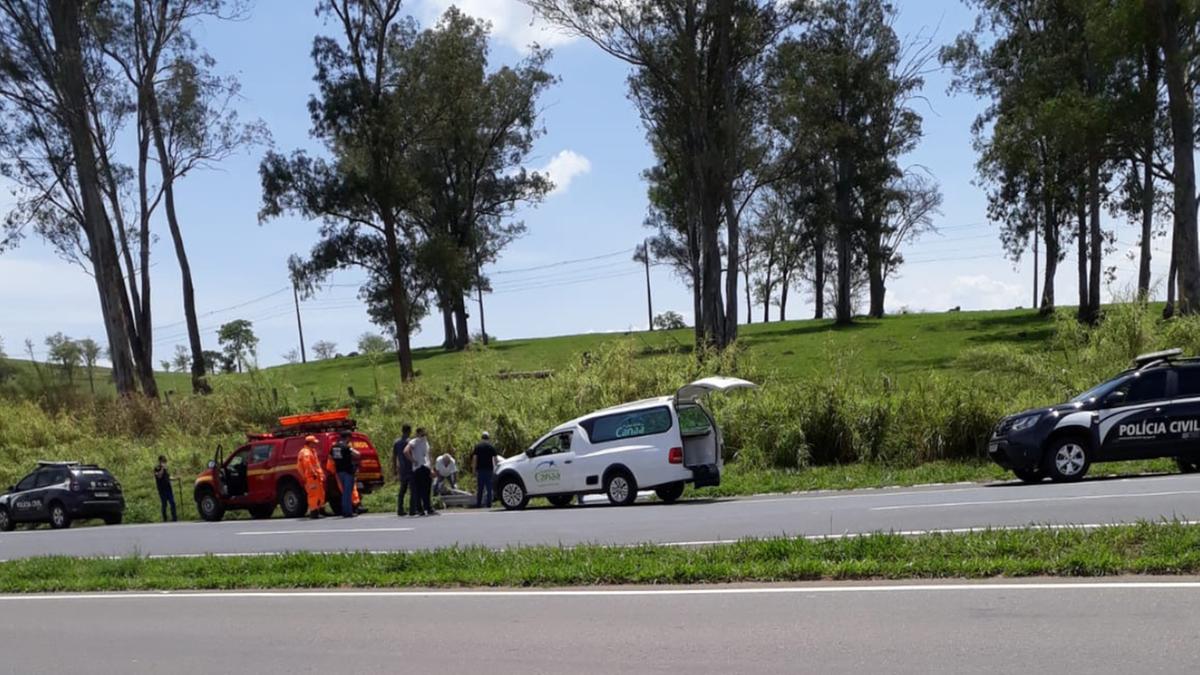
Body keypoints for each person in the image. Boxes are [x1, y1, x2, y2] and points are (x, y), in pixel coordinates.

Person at [404, 427, 435, 516]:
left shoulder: (426, 442)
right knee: (419, 490)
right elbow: (406, 451)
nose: (423, 435)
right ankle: (420, 509)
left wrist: (431, 469)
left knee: (427, 489)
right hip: (418, 468)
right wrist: (413, 460)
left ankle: (427, 508)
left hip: (426, 467)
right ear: (418, 433)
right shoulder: (415, 441)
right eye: (422, 433)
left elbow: (429, 456)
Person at [330, 430, 360, 518]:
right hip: (347, 471)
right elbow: (357, 454)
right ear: (347, 437)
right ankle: (348, 512)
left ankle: (345, 510)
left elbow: (331, 457)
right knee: (347, 492)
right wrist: (350, 449)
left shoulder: (334, 447)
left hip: (339, 472)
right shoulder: (346, 447)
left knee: (344, 492)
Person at [297, 435, 326, 519]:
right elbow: (307, 465)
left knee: (320, 493)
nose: (315, 444)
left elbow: (316, 464)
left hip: (316, 476)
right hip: (311, 477)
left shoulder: (312, 451)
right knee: (313, 495)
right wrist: (313, 473)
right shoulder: (306, 452)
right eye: (313, 443)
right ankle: (314, 512)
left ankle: (320, 510)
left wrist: (321, 474)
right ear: (309, 443)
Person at [472, 432, 499, 508]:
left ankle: (478, 504)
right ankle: (489, 504)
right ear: (488, 438)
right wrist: (497, 469)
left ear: (481, 438)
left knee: (480, 487)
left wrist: (473, 469)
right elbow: (496, 459)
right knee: (489, 488)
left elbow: (474, 459)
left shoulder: (477, 447)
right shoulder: (491, 447)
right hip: (489, 470)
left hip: (480, 470)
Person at [394, 424, 412, 516]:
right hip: (411, 468)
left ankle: (400, 509)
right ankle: (413, 508)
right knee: (413, 490)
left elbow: (394, 457)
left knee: (402, 490)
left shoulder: (397, 442)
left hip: (402, 469)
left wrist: (394, 469)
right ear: (409, 431)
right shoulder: (410, 442)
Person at [153, 455, 177, 522]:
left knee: (172, 502)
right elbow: (159, 476)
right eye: (163, 461)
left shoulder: (166, 469)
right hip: (162, 489)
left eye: (165, 461)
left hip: (168, 488)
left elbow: (168, 477)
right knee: (164, 504)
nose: (164, 463)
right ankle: (165, 518)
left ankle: (174, 518)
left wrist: (175, 478)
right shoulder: (156, 468)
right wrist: (162, 469)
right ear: (160, 461)